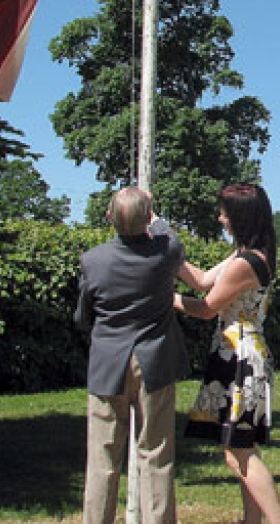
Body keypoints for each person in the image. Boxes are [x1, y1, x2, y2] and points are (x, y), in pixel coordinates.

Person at [74, 187, 190, 524]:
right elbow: (171, 237)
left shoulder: (92, 260)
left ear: (109, 217)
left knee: (102, 459)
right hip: (154, 363)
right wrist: (155, 216)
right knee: (156, 455)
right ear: (148, 218)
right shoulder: (166, 252)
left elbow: (83, 317)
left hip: (107, 364)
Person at [174, 183, 280, 524]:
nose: (220, 218)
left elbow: (206, 307)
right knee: (241, 446)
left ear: (241, 216)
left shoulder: (246, 263)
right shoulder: (247, 254)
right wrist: (168, 249)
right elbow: (202, 280)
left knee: (237, 452)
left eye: (224, 213)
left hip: (241, 358)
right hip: (237, 352)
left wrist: (166, 299)